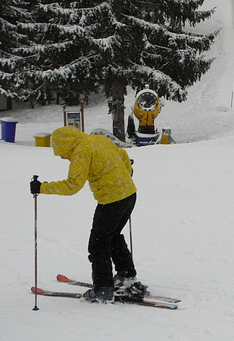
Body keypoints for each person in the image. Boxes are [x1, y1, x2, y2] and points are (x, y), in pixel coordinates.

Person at [30, 125, 147, 303]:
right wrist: (125, 173)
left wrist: (42, 187)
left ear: (65, 145)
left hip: (111, 200)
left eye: (61, 152)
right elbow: (123, 155)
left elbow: (72, 185)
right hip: (129, 194)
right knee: (112, 236)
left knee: (98, 244)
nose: (62, 157)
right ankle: (127, 276)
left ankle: (103, 289)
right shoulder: (98, 139)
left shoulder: (80, 151)